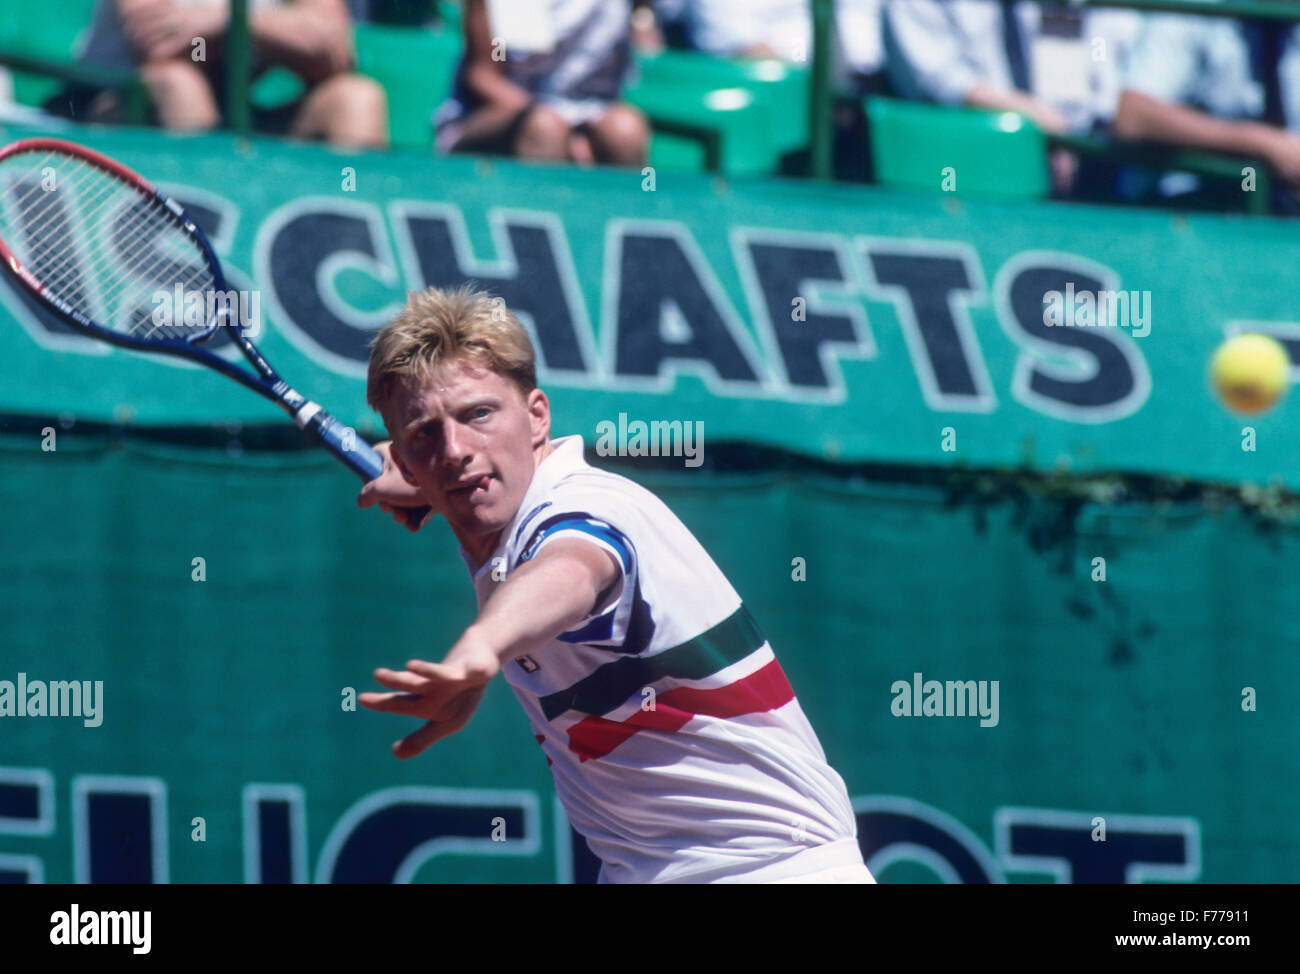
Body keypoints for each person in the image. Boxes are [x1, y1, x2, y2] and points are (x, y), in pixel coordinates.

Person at [356, 286, 873, 884]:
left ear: (537, 417)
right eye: (426, 432)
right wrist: (422, 480)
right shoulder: (475, 499)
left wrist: (484, 645)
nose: (457, 449)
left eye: (479, 414)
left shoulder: (585, 506)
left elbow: (571, 568)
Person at [883, 0, 1143, 194]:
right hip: (953, 167)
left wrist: (1066, 133)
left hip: (1064, 166)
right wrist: (1038, 118)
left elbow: (1080, 81)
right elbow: (937, 78)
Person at [72, 0, 387, 148]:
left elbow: (332, 49)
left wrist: (230, 18)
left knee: (355, 98)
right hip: (118, 116)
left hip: (238, 122)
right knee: (179, 83)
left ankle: (355, 240)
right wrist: (283, 25)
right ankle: (199, 239)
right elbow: (158, 42)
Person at [1113, 3, 1300, 213]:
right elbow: (1133, 116)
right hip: (1186, 206)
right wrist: (1262, 143)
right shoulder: (1192, 11)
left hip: (1282, 213)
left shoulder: (1290, 19)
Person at [434, 0, 648, 165]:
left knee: (626, 129)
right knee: (545, 126)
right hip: (486, 118)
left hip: (584, 113)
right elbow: (483, 77)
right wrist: (563, 128)